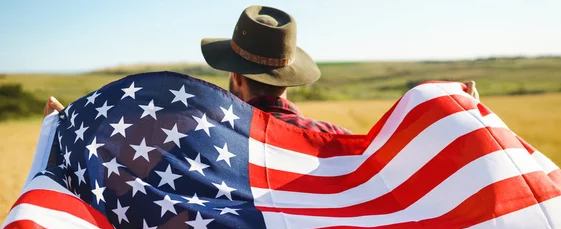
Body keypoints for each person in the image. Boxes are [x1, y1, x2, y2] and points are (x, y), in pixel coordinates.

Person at [44, 5, 479, 132]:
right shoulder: (330, 141)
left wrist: (63, 131)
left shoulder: (202, 145)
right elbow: (393, 165)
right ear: (290, 79)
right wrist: (460, 119)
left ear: (234, 77)